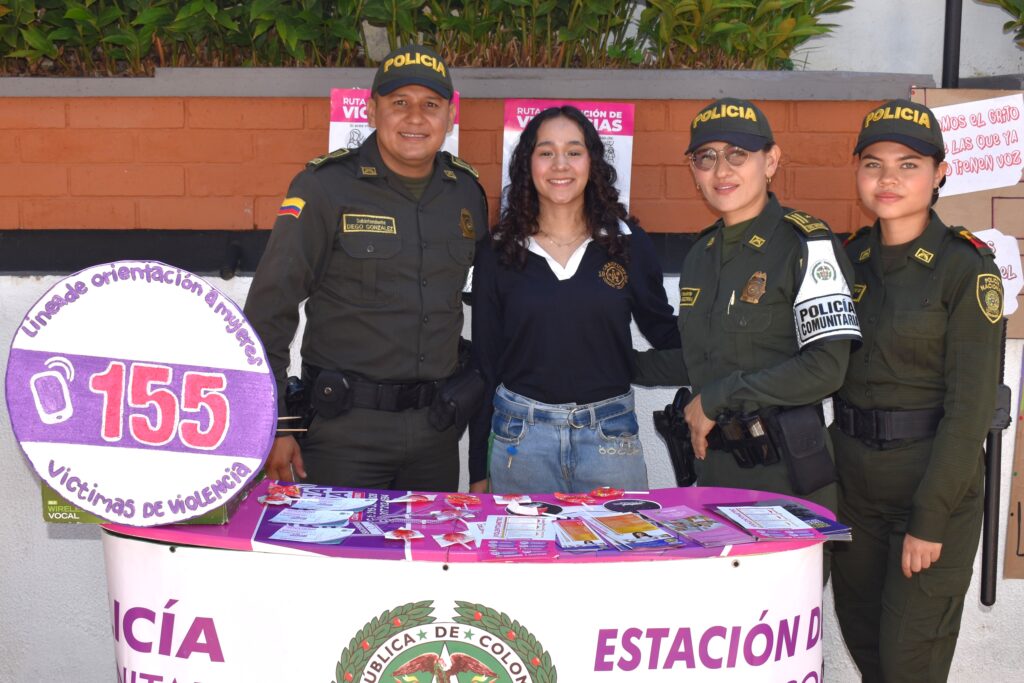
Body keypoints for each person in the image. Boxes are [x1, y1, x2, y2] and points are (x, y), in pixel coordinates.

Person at [244, 45, 488, 490]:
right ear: (372, 111)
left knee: (430, 560)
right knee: (338, 560)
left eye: (430, 105)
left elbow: (491, 308)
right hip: (343, 432)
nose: (416, 118)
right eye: (400, 103)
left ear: (449, 118)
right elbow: (270, 306)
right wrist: (275, 421)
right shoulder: (325, 187)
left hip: (436, 432)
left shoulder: (466, 194)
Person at [831, 100, 1003, 682]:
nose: (888, 179)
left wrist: (928, 519)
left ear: (940, 173)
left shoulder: (966, 268)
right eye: (873, 163)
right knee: (867, 647)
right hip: (855, 493)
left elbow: (969, 410)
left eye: (908, 164)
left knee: (910, 664)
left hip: (930, 493)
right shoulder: (847, 260)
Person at [633, 98, 861, 517]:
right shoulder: (701, 254)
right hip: (716, 473)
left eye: (738, 154)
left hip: (787, 478)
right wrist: (608, 362)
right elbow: (701, 359)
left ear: (771, 161)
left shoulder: (806, 244)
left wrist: (718, 398)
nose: (721, 171)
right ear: (692, 172)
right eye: (707, 157)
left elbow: (826, 368)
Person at [469, 105, 679, 494]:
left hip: (610, 438)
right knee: (524, 554)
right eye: (546, 152)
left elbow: (666, 332)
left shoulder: (627, 243)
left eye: (574, 151)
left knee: (619, 553)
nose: (560, 164)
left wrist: (724, 373)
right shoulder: (498, 250)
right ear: (527, 165)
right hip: (520, 442)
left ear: (592, 162)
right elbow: (486, 361)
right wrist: (477, 467)